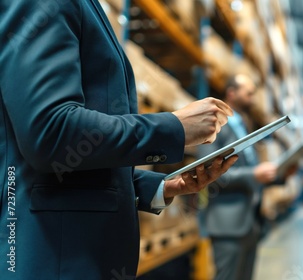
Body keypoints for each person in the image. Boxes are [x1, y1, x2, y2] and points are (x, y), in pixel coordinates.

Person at [0, 1, 238, 279]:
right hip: (53, 256)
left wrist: (161, 186)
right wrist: (174, 128)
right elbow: (50, 131)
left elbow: (68, 157)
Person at [198, 74, 278, 280]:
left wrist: (281, 175)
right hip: (228, 225)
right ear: (231, 93)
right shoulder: (212, 125)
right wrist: (253, 174)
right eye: (248, 93)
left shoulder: (243, 126)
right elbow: (208, 173)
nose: (252, 98)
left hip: (250, 222)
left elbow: (250, 169)